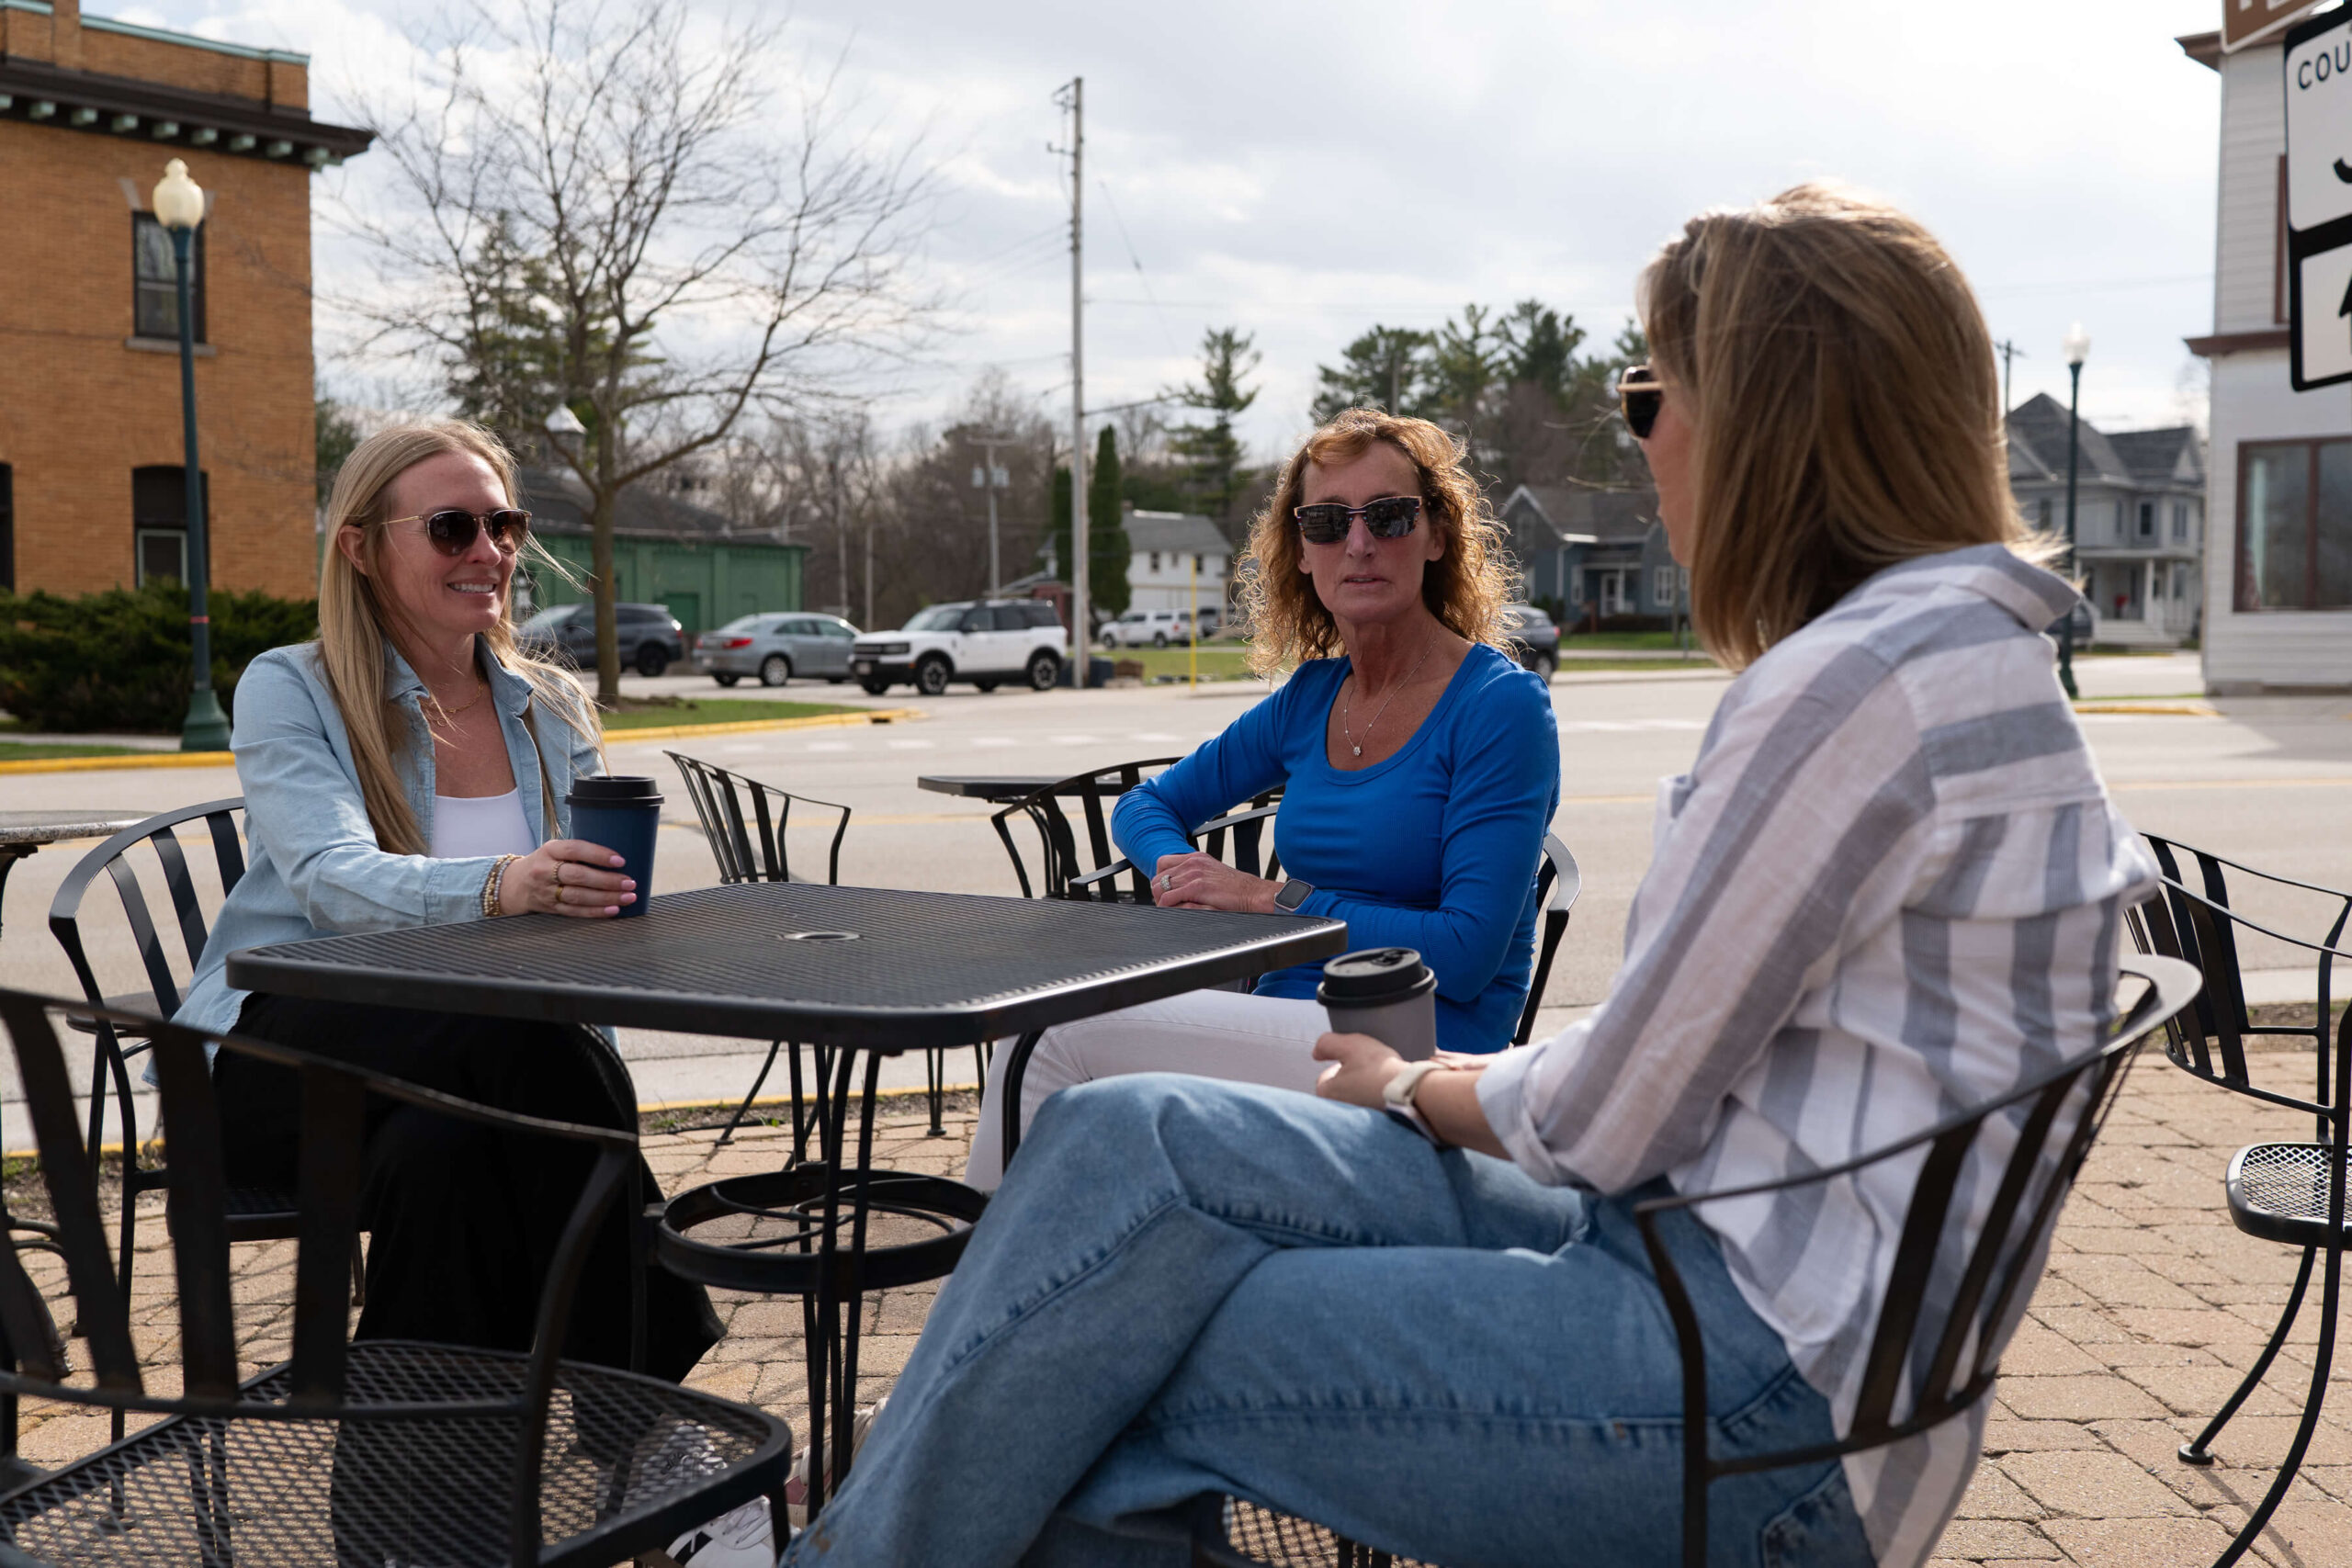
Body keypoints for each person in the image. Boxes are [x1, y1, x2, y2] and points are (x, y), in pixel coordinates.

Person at [783, 183, 2159, 1568]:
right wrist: (1425, 1074)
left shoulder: (1855, 690)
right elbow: (1671, 1074)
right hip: (1723, 1276)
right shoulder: (1955, 660)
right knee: (1115, 1136)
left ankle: (842, 1545)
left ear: (1766, 415)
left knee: (1119, 1342)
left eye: (1650, 397)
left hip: (1748, 1396)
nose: (1642, 441)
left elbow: (1610, 1114)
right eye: (1325, 524)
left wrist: (1412, 1082)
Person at [175, 421, 766, 1564]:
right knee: (530, 1060)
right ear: (361, 547)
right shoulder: (292, 686)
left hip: (468, 1077)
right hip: (278, 1051)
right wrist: (507, 884)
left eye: (505, 523)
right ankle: (648, 1440)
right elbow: (330, 880)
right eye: (452, 526)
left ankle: (404, 1531)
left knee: (445, 1162)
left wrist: (601, 912)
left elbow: (580, 919)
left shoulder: (548, 706)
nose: (489, 550)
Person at [964, 409, 1560, 1188]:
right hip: (1281, 1019)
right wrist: (1185, 872)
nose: (1358, 542)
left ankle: (983, 1265)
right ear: (1302, 552)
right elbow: (1143, 805)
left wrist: (1264, 898)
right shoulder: (1312, 697)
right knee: (1056, 1054)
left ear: (1437, 535)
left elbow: (1466, 952)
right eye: (1327, 522)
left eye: (1388, 515)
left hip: (1415, 1059)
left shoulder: (1499, 706)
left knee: (1046, 1034)